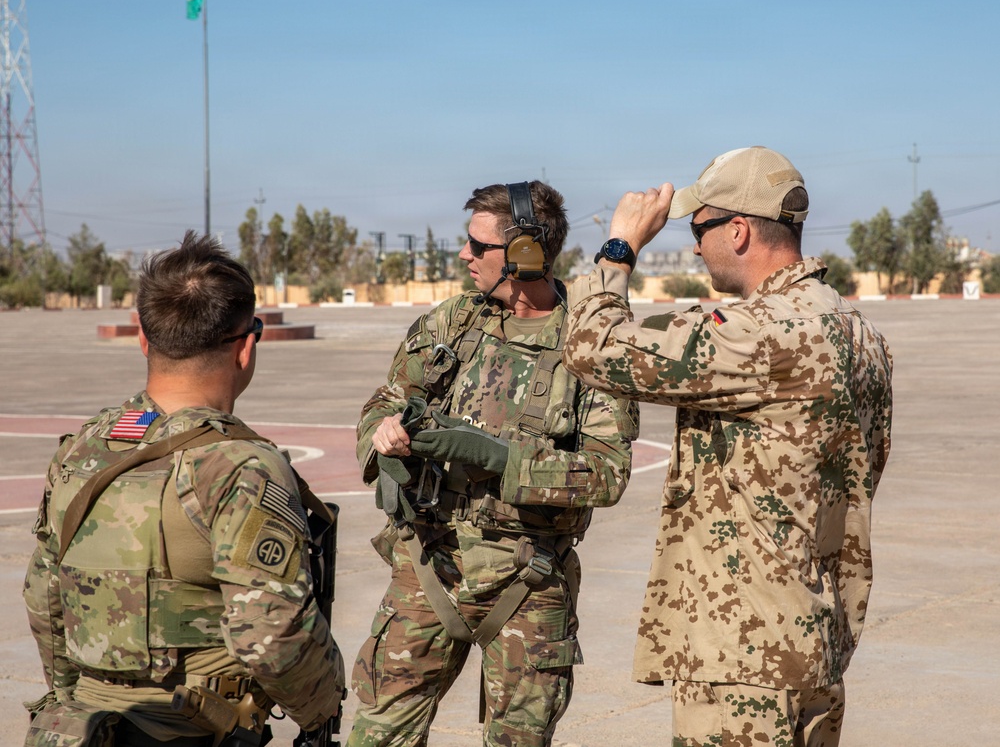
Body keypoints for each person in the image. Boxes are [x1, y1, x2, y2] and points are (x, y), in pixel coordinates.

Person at [561, 147, 893, 746]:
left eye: (698, 229)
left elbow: (592, 345)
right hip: (813, 645)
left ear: (737, 230)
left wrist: (619, 249)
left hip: (745, 660)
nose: (693, 246)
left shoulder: (761, 332)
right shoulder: (862, 336)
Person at [23, 231, 346, 747]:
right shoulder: (240, 465)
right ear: (245, 347)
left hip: (80, 729)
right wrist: (322, 707)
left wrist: (70, 703)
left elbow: (44, 595)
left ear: (144, 339)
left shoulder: (85, 447)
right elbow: (271, 635)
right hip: (189, 731)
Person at [348, 181, 639, 747]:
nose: (464, 256)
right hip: (428, 566)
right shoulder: (451, 324)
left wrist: (499, 459)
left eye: (478, 246)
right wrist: (383, 433)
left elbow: (607, 474)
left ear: (525, 253)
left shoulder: (590, 342)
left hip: (527, 580)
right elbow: (383, 401)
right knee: (376, 734)